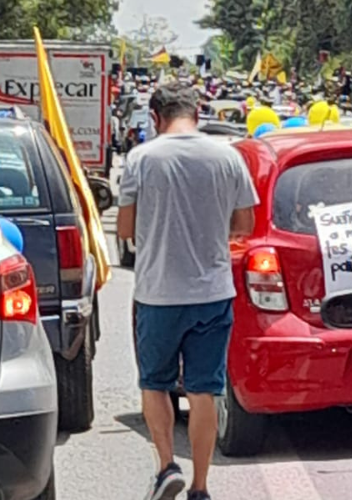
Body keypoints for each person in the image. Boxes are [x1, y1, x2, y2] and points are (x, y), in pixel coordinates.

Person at [117, 84, 259, 500]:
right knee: (204, 390)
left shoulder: (142, 158)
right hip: (213, 293)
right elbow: (245, 224)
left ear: (156, 119)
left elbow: (124, 230)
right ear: (197, 113)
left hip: (158, 293)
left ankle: (165, 466)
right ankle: (200, 486)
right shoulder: (227, 156)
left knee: (155, 383)